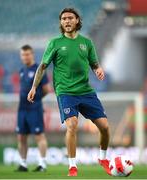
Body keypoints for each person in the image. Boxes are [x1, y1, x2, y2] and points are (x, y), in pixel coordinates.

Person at [27, 8, 110, 176]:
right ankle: (72, 166)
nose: (67, 21)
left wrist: (98, 69)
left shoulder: (86, 43)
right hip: (65, 92)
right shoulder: (55, 43)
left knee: (105, 127)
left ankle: (103, 158)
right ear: (61, 22)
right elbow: (42, 66)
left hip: (86, 91)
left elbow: (94, 64)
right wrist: (34, 86)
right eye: (63, 18)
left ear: (77, 20)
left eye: (70, 18)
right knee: (72, 125)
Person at [16, 45, 51, 172]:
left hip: (34, 108)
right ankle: (23, 164)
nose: (25, 57)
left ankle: (42, 164)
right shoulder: (21, 70)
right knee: (21, 136)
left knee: (39, 135)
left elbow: (47, 89)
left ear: (32, 54)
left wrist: (36, 99)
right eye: (23, 55)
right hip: (22, 109)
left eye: (27, 54)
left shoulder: (39, 69)